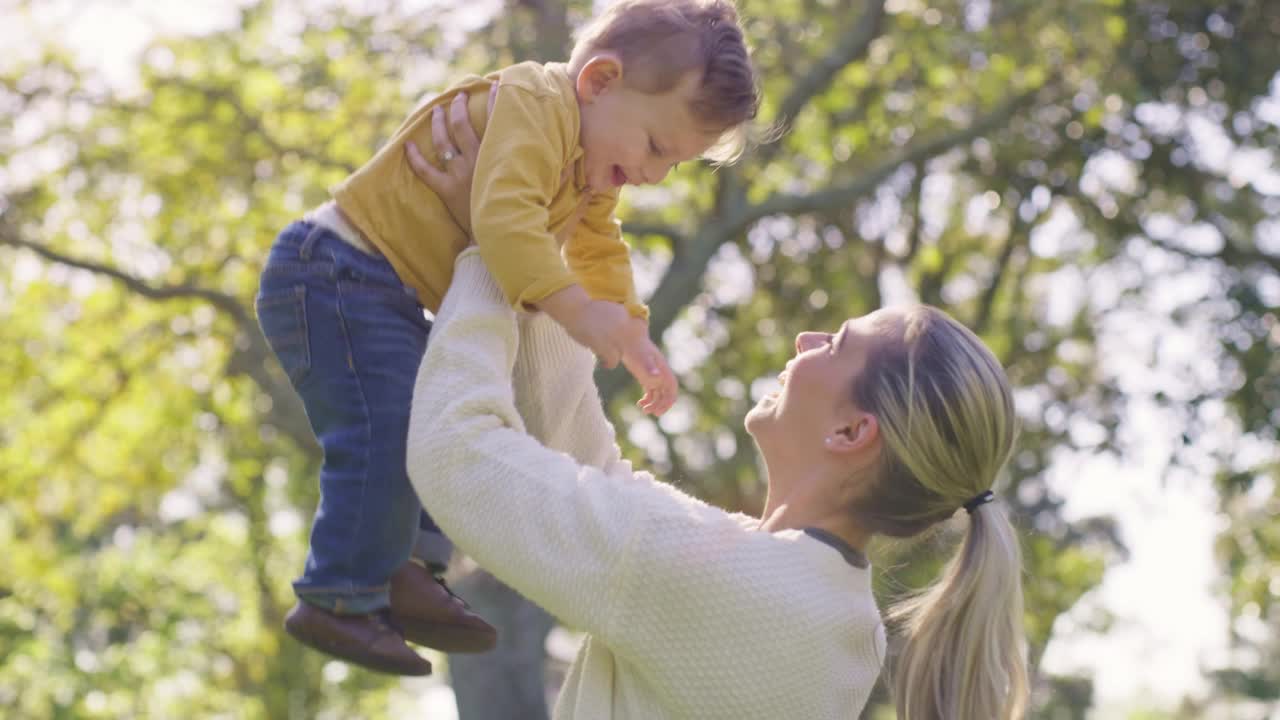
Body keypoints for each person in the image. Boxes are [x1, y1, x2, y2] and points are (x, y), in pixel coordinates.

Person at [401, 98, 1031, 719]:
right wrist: (530, 254)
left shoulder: (742, 590)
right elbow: (594, 473)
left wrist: (489, 252)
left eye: (836, 344)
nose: (806, 341)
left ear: (851, 430)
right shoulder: (826, 611)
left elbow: (456, 456)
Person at [254, 0, 759, 674]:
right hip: (335, 270)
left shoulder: (583, 160)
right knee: (386, 426)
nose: (653, 174)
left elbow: (598, 245)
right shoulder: (533, 102)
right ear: (600, 80)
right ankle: (338, 592)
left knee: (431, 421)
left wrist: (631, 332)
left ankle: (409, 570)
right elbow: (506, 221)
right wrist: (579, 312)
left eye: (674, 165)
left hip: (383, 290)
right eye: (657, 148)